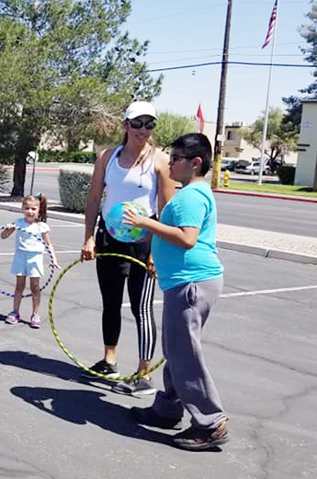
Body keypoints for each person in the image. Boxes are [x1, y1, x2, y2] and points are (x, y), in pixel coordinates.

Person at [123, 133, 228, 451]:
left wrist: (146, 223)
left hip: (192, 284)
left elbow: (187, 238)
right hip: (186, 282)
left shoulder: (192, 196)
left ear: (196, 163)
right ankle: (168, 409)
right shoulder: (191, 193)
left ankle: (210, 422)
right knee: (177, 349)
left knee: (184, 353)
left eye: (177, 157)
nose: (169, 161)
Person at [80, 101, 176, 396]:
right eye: (137, 124)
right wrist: (88, 237)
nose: (143, 130)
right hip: (109, 240)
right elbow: (95, 198)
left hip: (143, 244)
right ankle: (110, 360)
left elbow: (167, 210)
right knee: (110, 303)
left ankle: (144, 372)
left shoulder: (160, 161)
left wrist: (156, 253)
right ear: (126, 125)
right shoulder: (107, 157)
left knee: (141, 308)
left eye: (149, 124)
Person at [0, 194, 60, 329]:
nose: (30, 211)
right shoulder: (18, 223)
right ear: (22, 209)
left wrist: (54, 259)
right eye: (27, 208)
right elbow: (3, 236)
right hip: (20, 257)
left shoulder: (42, 226)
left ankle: (35, 314)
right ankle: (15, 312)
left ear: (39, 210)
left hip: (35, 258)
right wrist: (7, 229)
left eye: (33, 209)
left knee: (35, 287)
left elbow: (49, 244)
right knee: (19, 286)